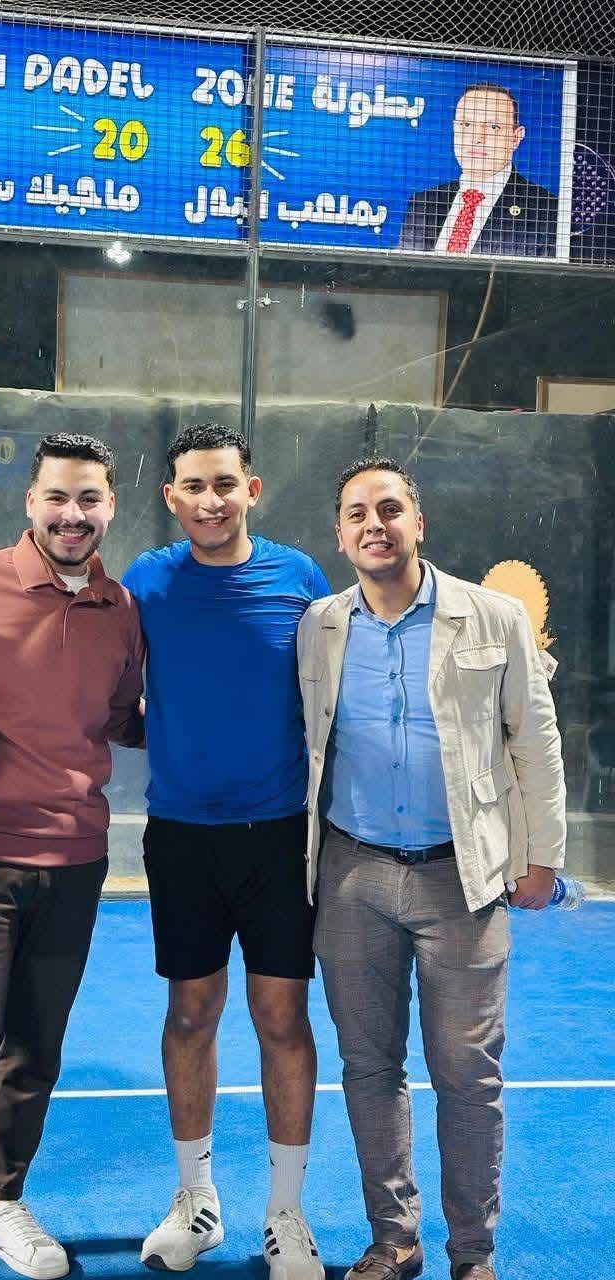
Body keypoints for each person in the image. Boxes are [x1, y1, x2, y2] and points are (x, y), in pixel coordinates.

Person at [297, 458, 566, 1280]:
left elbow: (536, 741)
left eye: (389, 509)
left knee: (468, 1076)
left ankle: (473, 1253)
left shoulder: (494, 617)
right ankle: (395, 1240)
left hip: (464, 880)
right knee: (369, 1068)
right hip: (351, 876)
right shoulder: (318, 625)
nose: (374, 525)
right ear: (340, 535)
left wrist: (543, 857)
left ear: (419, 523)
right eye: (357, 514)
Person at [0, 433, 145, 1280]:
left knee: (36, 1049)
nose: (71, 515)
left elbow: (122, 720)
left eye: (88, 499)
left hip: (78, 860)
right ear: (30, 502)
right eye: (57, 497)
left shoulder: (122, 609)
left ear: (110, 507)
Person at [122, 424, 330, 1280]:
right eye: (194, 487)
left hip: (279, 838)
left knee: (282, 1019)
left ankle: (286, 1213)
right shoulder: (146, 583)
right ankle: (196, 1200)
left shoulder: (300, 579)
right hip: (180, 838)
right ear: (171, 497)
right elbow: (112, 688)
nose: (210, 501)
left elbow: (336, 690)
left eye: (224, 484)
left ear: (253, 489)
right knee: (190, 1015)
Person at [398, 83, 558, 258]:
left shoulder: (548, 211)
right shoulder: (424, 203)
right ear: (454, 129)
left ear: (516, 138)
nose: (477, 138)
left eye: (493, 127)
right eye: (466, 124)